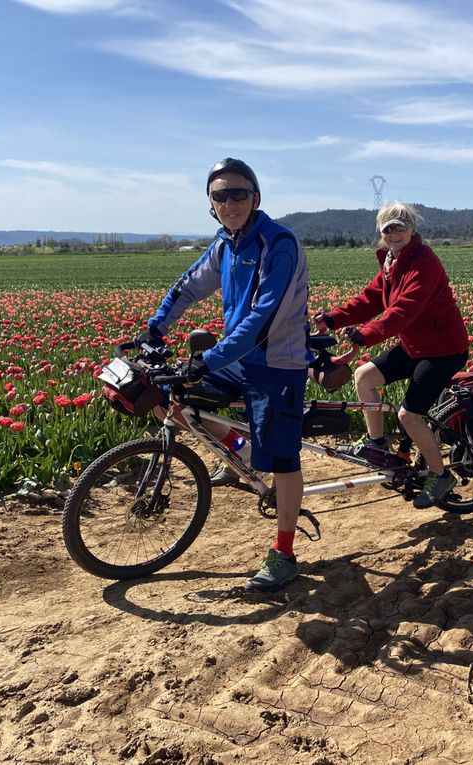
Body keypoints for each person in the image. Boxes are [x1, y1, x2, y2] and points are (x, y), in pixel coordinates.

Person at [137, 158, 310, 592]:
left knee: (282, 459)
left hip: (277, 361)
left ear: (255, 197)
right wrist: (155, 327)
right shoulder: (225, 244)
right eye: (220, 195)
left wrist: (209, 358)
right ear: (211, 204)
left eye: (238, 193)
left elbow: (263, 319)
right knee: (176, 400)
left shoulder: (279, 244)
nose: (229, 202)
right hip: (237, 357)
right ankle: (237, 457)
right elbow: (189, 285)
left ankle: (284, 553)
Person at [314, 201, 468, 509]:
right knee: (364, 376)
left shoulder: (424, 262)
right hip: (415, 346)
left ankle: (440, 476)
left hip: (443, 350)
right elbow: (371, 299)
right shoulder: (391, 262)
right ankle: (377, 444)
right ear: (382, 234)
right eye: (387, 229)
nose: (393, 233)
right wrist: (334, 318)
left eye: (400, 226)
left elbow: (404, 309)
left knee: (408, 415)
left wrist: (366, 334)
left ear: (412, 229)